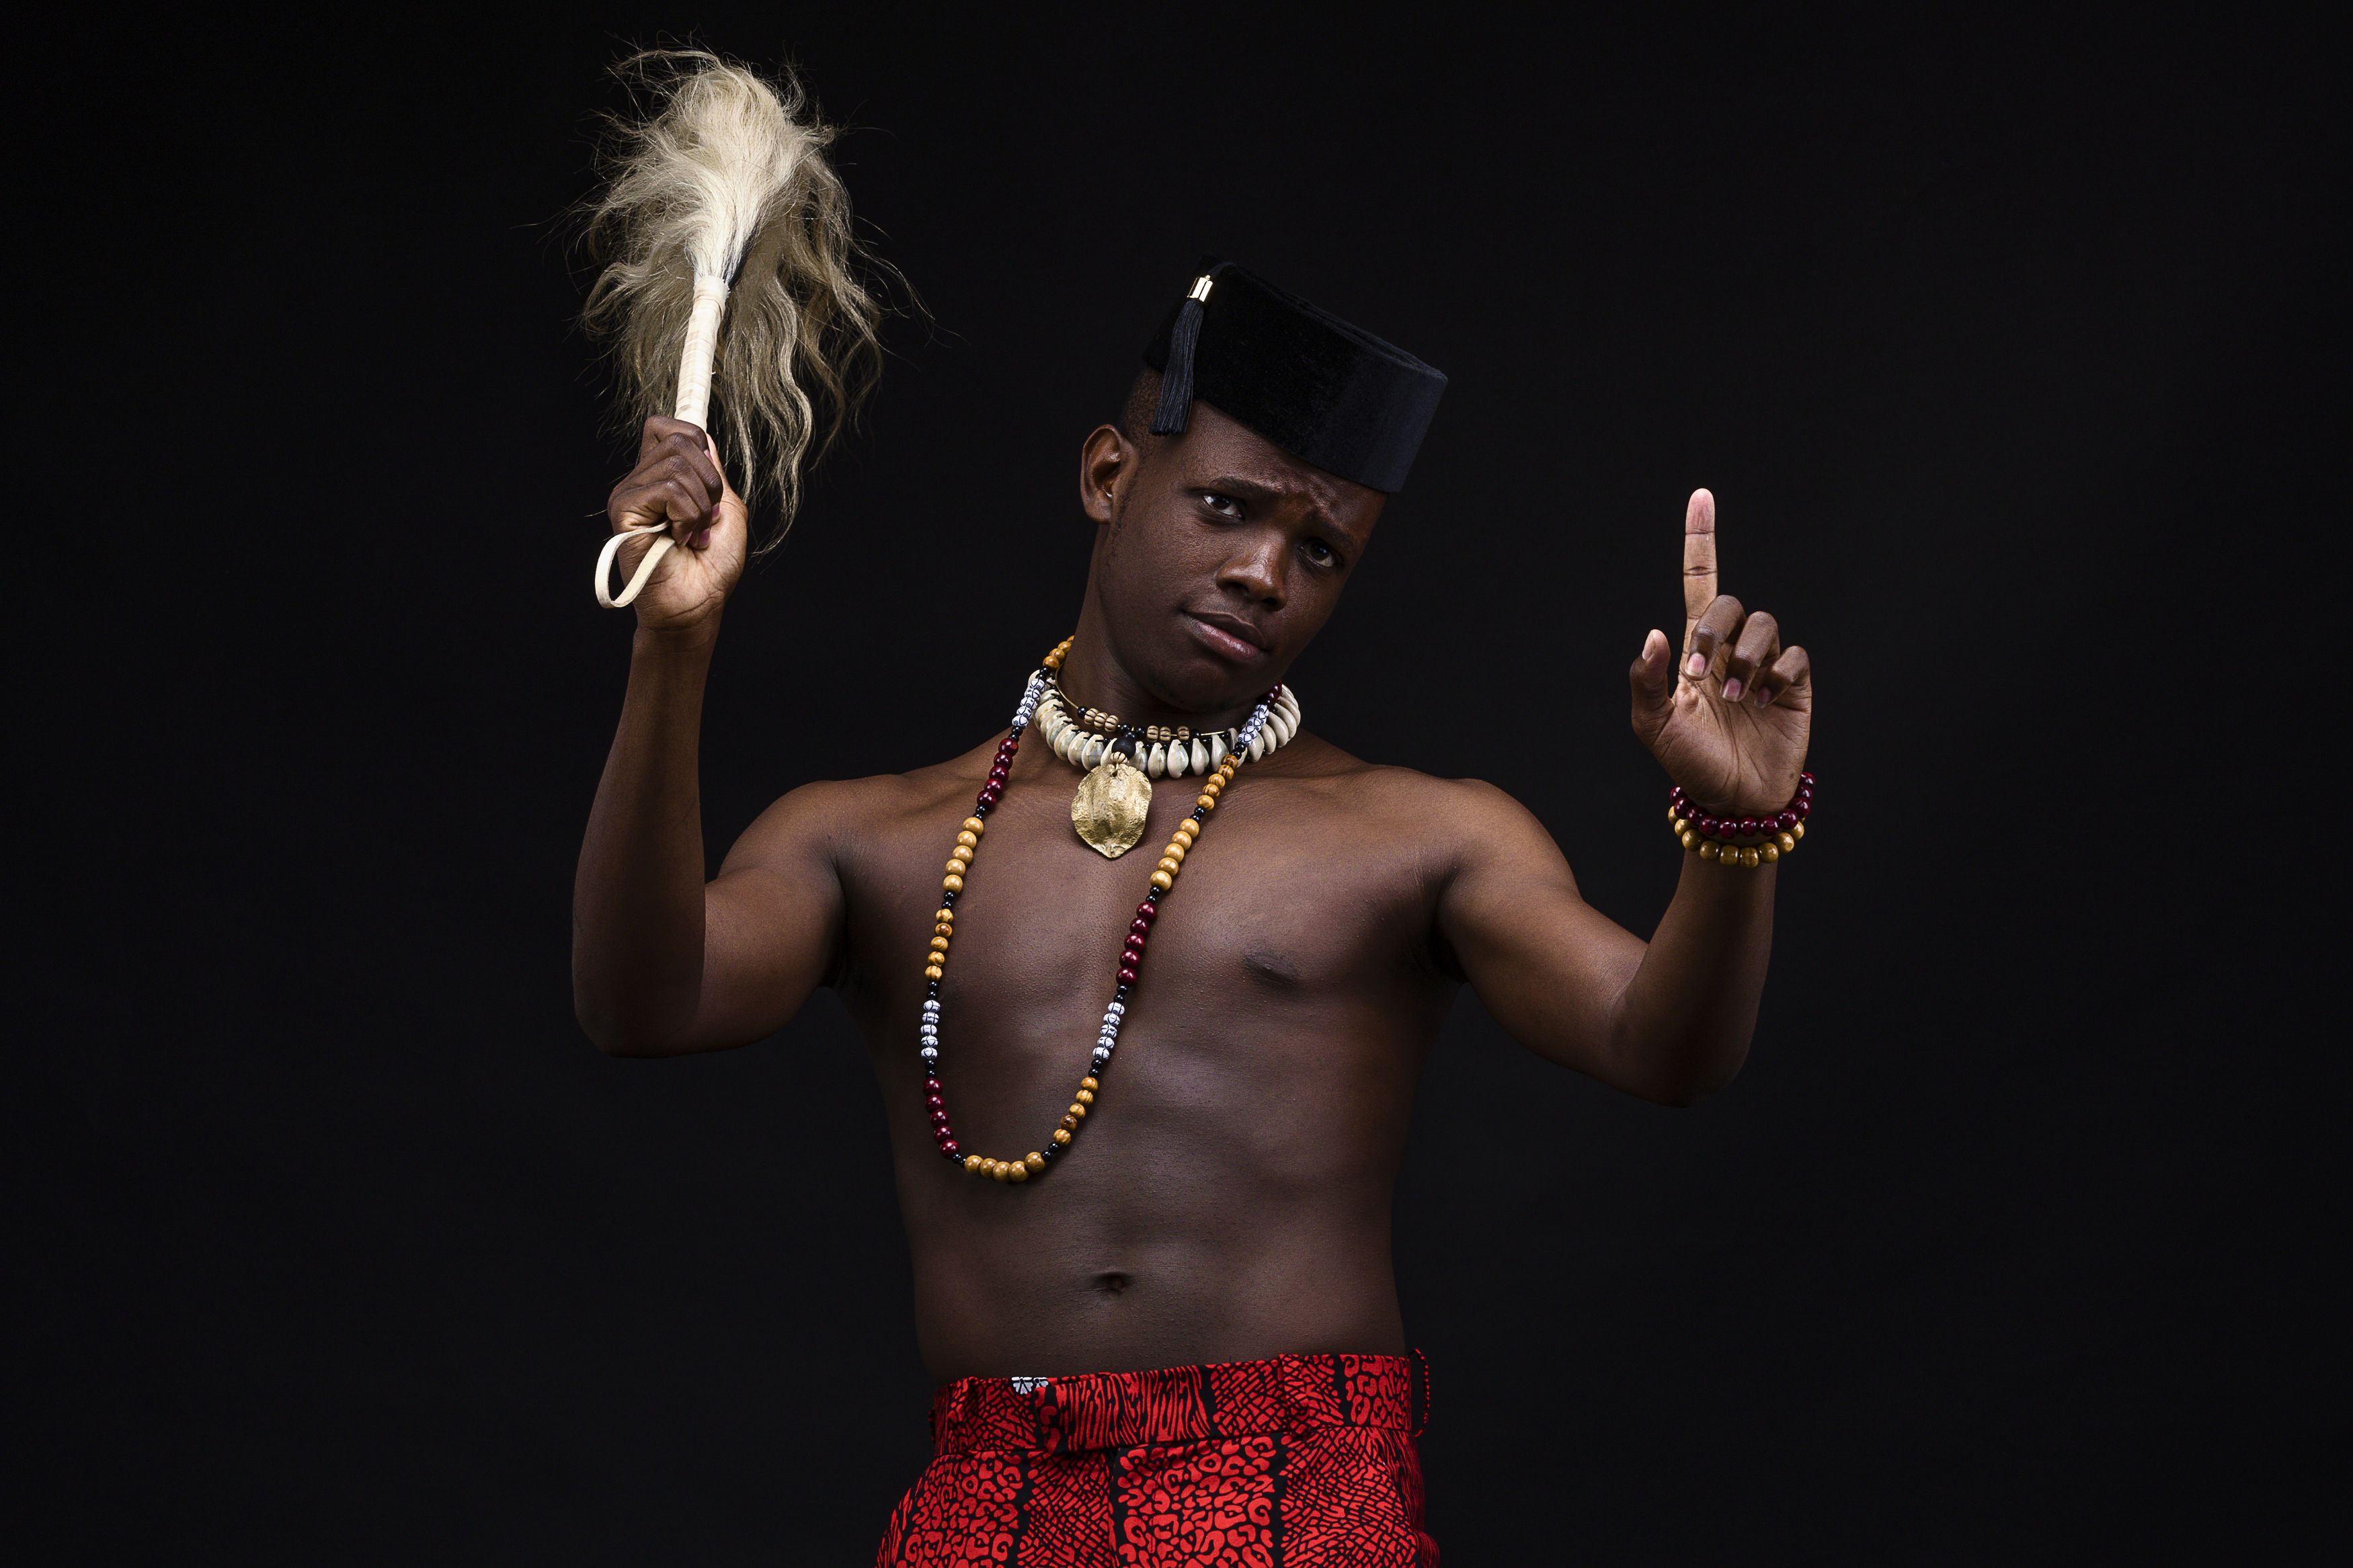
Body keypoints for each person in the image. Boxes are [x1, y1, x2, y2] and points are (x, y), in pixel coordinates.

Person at [571, 258, 1815, 1566]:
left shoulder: (1421, 836)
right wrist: (674, 646)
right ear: (1110, 475)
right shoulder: (873, 838)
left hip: (1297, 1501)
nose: (1266, 573)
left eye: (1321, 551)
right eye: (1227, 506)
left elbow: (1662, 1047)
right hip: (992, 1502)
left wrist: (1738, 833)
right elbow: (641, 1003)